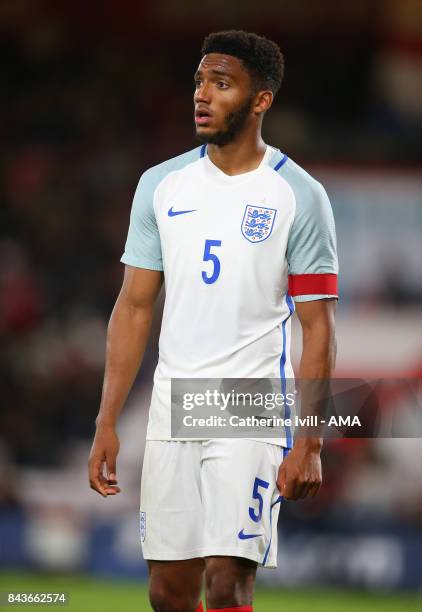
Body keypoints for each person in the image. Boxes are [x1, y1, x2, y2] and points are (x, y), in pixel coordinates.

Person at [88, 30, 338, 612]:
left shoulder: (299, 195)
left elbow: (319, 328)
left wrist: (311, 441)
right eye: (199, 81)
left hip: (248, 404)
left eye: (221, 84)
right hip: (173, 401)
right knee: (168, 593)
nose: (202, 95)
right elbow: (133, 307)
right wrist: (106, 420)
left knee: (226, 585)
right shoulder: (160, 185)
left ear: (261, 100)